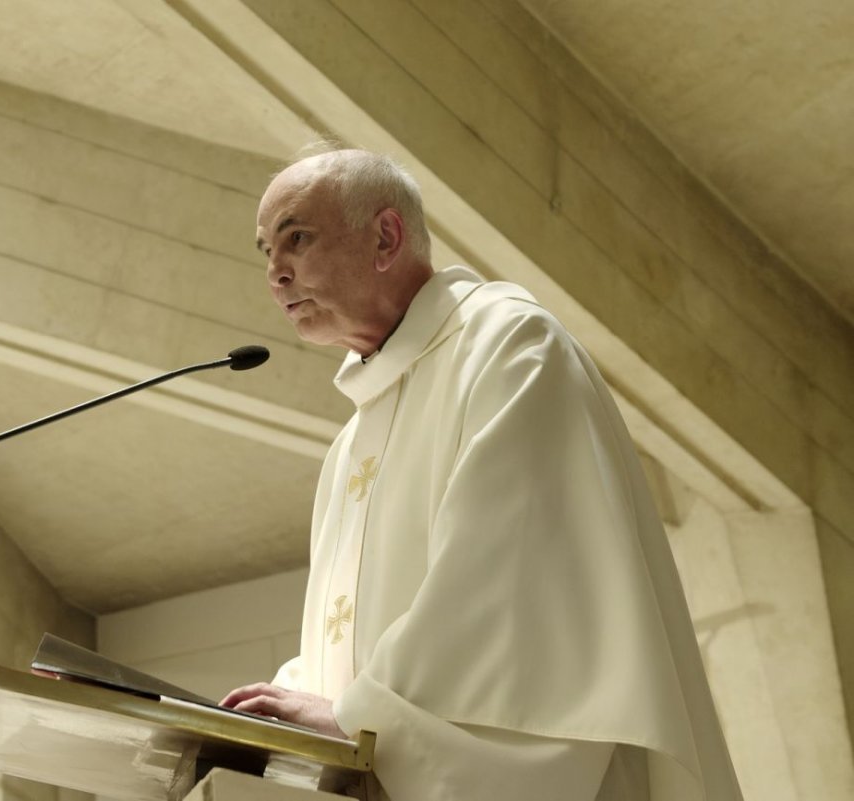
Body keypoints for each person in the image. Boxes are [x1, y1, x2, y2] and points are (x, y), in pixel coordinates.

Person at [219, 148, 743, 801]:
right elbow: (343, 635)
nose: (275, 272)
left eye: (296, 238)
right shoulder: (352, 441)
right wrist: (278, 705)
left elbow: (504, 582)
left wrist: (361, 720)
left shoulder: (508, 345)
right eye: (265, 250)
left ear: (385, 237)